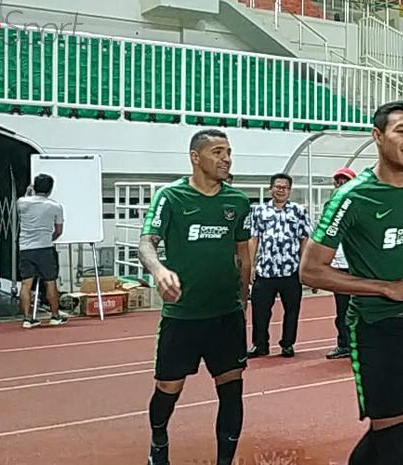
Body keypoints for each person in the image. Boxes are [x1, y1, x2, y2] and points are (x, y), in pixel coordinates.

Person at [299, 101, 403, 465]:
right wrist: (386, 288)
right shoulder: (351, 197)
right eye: (402, 131)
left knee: (392, 421)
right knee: (392, 426)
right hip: (372, 324)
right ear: (377, 137)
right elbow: (311, 270)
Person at [138, 129, 252, 465]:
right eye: (217, 152)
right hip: (183, 316)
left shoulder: (238, 201)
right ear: (195, 157)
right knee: (168, 389)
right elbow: (147, 243)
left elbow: (243, 255)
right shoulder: (170, 197)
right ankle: (159, 441)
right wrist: (159, 271)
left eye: (228, 152)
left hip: (225, 316)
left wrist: (242, 300)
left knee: (231, 389)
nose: (226, 159)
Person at [247, 173, 312, 358]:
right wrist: (251, 266)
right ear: (271, 189)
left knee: (291, 311)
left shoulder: (299, 211)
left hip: (290, 270)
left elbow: (306, 238)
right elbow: (254, 238)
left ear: (289, 191)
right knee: (260, 312)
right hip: (265, 271)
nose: (281, 190)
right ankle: (260, 345)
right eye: (278, 187)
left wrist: (304, 266)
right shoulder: (259, 211)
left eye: (285, 187)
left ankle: (287, 344)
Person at [17, 173, 68, 328]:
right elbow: (58, 231)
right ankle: (55, 315)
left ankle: (27, 318)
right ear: (50, 189)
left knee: (26, 284)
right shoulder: (55, 207)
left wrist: (28, 192)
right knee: (50, 282)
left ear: (34, 186)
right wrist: (48, 239)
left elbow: (25, 201)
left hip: (26, 248)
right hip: (45, 248)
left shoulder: (21, 202)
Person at [325, 167, 357, 360]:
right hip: (339, 268)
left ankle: (362, 344)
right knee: (342, 310)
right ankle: (344, 344)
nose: (341, 185)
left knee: (360, 308)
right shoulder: (331, 207)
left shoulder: (360, 205)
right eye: (338, 182)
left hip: (358, 267)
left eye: (345, 181)